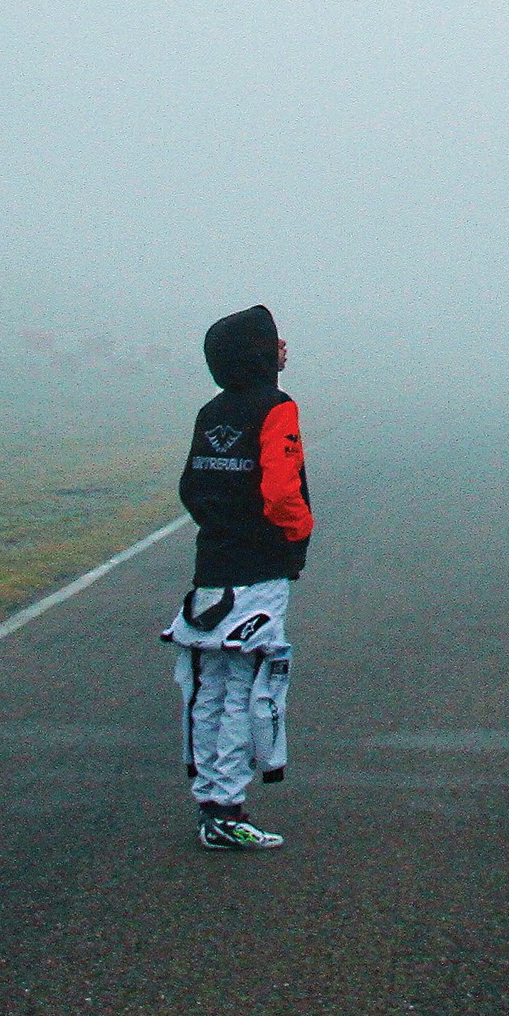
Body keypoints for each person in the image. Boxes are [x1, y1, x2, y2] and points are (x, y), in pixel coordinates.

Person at [162, 305, 313, 851]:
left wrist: (223, 527)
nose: (284, 348)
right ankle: (227, 810)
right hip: (260, 569)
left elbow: (191, 488)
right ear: (258, 352)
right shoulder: (277, 407)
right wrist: (296, 538)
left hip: (213, 567)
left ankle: (212, 804)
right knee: (250, 689)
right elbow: (280, 490)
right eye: (275, 340)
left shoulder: (211, 410)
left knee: (209, 687)